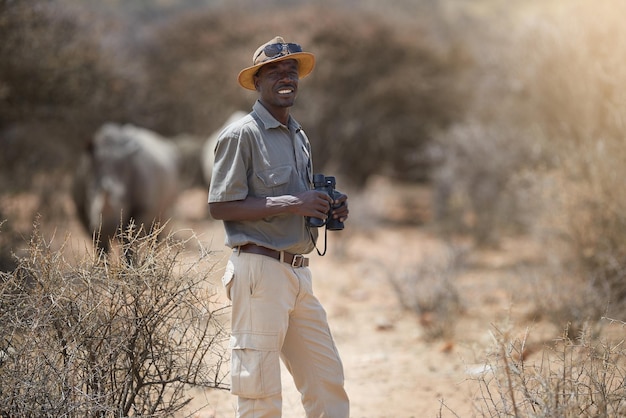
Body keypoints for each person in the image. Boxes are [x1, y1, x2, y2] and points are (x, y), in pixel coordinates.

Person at [208, 36, 350, 418]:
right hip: (259, 273)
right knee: (260, 395)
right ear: (257, 82)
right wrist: (295, 202)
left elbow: (299, 200)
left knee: (327, 383)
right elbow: (220, 205)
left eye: (292, 71)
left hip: (299, 275)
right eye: (274, 72)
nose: (286, 78)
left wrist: (328, 207)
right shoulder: (241, 135)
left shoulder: (299, 137)